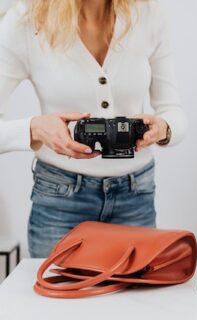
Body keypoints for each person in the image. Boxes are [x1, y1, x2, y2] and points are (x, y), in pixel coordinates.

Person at [0, 0, 187, 258]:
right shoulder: (26, 20)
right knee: (58, 296)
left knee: (138, 298)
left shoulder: (146, 13)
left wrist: (164, 128)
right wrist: (35, 128)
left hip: (136, 195)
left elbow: (172, 110)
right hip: (60, 200)